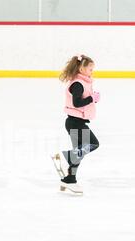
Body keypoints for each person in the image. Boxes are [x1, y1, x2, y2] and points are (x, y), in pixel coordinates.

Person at [52, 54, 101, 194]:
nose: (92, 71)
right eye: (90, 69)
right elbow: (77, 103)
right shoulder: (78, 84)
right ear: (81, 68)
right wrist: (91, 98)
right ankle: (63, 157)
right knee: (93, 144)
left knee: (78, 153)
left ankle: (69, 180)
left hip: (76, 121)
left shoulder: (83, 82)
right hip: (75, 122)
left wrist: (92, 99)